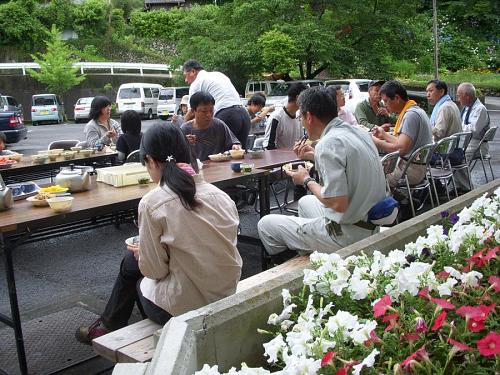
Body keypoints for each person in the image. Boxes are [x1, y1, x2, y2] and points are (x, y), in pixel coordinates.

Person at [76, 123, 242, 344]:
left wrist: (142, 254)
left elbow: (154, 270)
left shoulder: (152, 203)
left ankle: (131, 334)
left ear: (151, 161)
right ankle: (108, 325)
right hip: (226, 293)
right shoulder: (220, 196)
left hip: (188, 309)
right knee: (132, 262)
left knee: (135, 275)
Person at [257, 87, 386, 255]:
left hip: (346, 236)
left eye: (300, 118)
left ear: (308, 116)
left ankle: (291, 265)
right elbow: (348, 164)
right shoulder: (357, 132)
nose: (301, 123)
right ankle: (310, 248)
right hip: (368, 224)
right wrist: (314, 156)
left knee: (266, 224)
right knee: (305, 202)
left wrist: (306, 180)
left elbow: (337, 203)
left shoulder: (328, 143)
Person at [371, 80, 433, 189]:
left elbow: (401, 149)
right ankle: (399, 198)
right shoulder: (416, 110)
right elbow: (402, 142)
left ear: (397, 98)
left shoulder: (411, 115)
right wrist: (384, 134)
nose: (385, 105)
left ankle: (390, 202)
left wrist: (375, 141)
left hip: (409, 172)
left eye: (386, 101)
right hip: (418, 168)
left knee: (371, 176)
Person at [182, 60, 251, 147]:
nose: (186, 80)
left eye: (185, 76)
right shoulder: (218, 74)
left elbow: (192, 112)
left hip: (226, 115)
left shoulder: (197, 83)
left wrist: (181, 132)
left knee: (217, 152)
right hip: (244, 114)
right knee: (240, 152)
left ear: (193, 71)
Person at [180, 91, 241, 161]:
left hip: (219, 167)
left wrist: (236, 147)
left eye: (211, 110)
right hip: (196, 169)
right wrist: (184, 144)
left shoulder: (219, 125)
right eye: (204, 111)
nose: (209, 115)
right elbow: (176, 155)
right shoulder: (185, 129)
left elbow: (234, 143)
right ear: (193, 111)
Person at [455, 82, 490, 191]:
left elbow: (474, 129)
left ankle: (467, 188)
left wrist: (457, 127)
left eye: (459, 95)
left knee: (460, 158)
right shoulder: (467, 107)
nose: (457, 98)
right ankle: (459, 186)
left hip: (479, 143)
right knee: (452, 155)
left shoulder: (480, 109)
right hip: (469, 141)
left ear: (467, 96)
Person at [263, 83, 307, 150]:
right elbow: (269, 147)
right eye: (306, 99)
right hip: (280, 159)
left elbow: (301, 141)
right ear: (298, 98)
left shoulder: (299, 116)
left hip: (297, 158)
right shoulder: (276, 117)